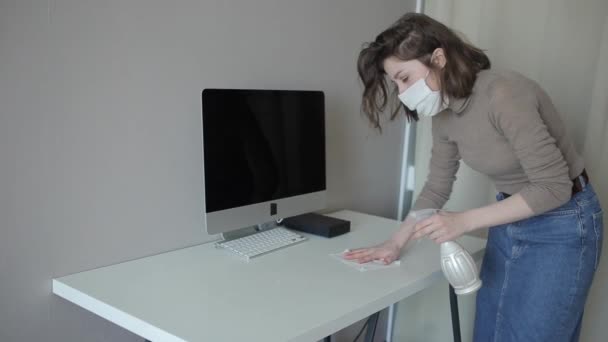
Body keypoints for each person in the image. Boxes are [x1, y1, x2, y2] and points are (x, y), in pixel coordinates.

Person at [343, 12, 604, 342]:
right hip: (510, 217)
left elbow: (554, 188)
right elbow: (436, 188)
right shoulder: (444, 116)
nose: (400, 92)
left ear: (438, 58)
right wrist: (396, 242)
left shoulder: (503, 94)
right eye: (395, 83)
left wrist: (464, 221)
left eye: (404, 78)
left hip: (563, 222)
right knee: (490, 333)